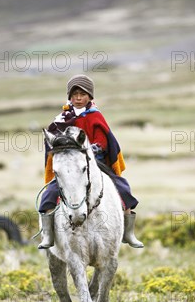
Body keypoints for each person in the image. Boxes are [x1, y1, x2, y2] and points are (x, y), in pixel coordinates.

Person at [38, 74, 144, 249]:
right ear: (69, 96)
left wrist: (94, 148)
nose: (78, 98)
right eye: (74, 94)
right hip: (71, 167)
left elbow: (103, 140)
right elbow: (54, 141)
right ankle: (48, 235)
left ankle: (128, 233)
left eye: (82, 94)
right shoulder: (61, 119)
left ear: (90, 96)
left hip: (96, 162)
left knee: (123, 188)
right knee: (49, 194)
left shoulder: (95, 116)